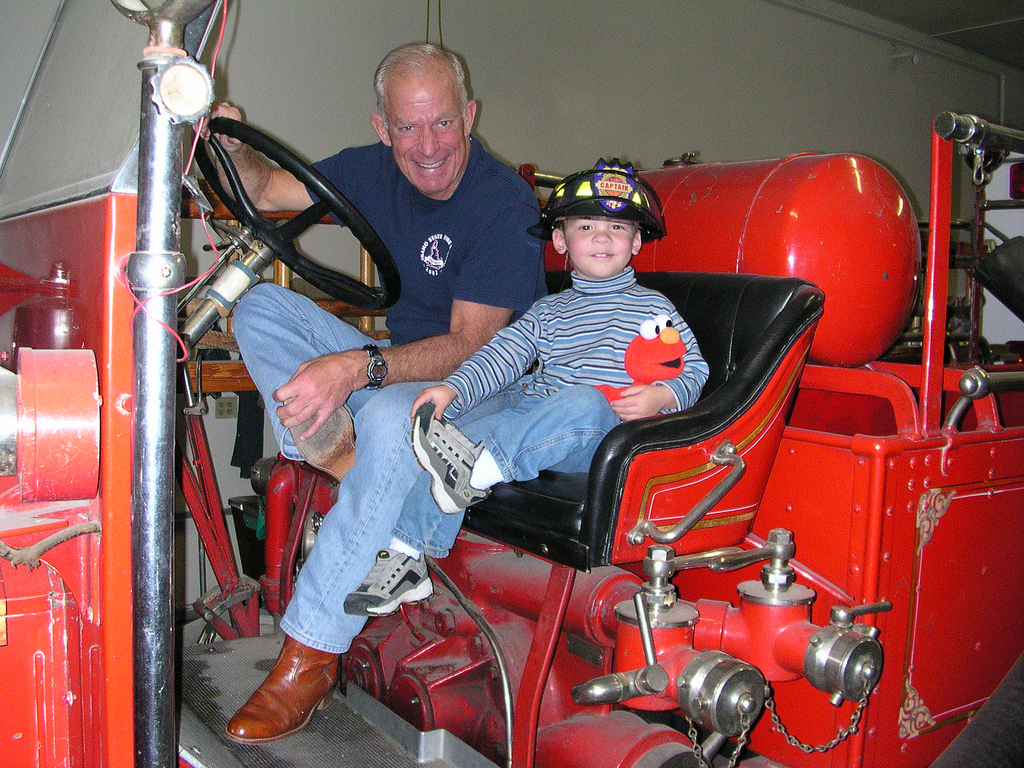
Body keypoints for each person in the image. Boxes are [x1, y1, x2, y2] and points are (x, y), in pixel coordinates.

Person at [212, 43, 546, 744]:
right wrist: (227, 139)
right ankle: (345, 456)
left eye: (443, 124)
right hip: (396, 368)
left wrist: (354, 370)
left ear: (469, 114)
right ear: (382, 127)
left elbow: (473, 344)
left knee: (397, 413)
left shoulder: (503, 201)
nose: (427, 147)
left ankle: (311, 653)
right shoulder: (371, 169)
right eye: (408, 128)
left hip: (480, 385)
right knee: (259, 310)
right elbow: (269, 190)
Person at [409, 160, 709, 517]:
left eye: (617, 226)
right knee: (449, 443)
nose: (602, 236)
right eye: (585, 226)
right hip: (534, 427)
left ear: (637, 240)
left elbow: (693, 369)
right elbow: (502, 356)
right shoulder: (547, 312)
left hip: (606, 442)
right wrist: (453, 389)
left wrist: (664, 395)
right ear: (560, 240)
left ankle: (479, 472)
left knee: (585, 401)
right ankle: (407, 551)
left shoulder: (654, 309)